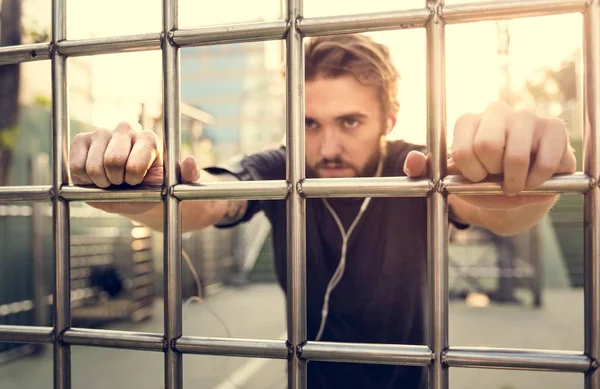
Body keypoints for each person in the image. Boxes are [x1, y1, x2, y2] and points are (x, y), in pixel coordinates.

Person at [69, 34, 576, 388]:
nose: (327, 146)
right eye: (310, 123)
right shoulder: (283, 166)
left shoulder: (414, 166)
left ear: (389, 117)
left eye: (350, 121)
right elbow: (214, 197)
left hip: (413, 380)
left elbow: (491, 210)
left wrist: (521, 193)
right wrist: (148, 195)